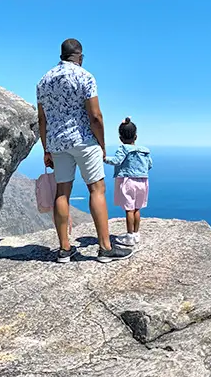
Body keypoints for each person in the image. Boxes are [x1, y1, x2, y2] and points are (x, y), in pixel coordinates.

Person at [37, 39, 134, 263]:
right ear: (79, 56)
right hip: (84, 140)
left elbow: (42, 118)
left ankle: (64, 250)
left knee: (62, 191)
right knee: (97, 189)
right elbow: (95, 116)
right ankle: (105, 249)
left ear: (61, 55)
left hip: (57, 143)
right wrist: (101, 144)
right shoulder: (85, 76)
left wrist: (46, 149)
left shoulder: (44, 80)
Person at [104, 118, 153, 246]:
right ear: (135, 136)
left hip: (128, 181)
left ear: (120, 138)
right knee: (137, 208)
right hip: (143, 182)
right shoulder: (144, 151)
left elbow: (116, 161)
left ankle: (129, 236)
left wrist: (104, 158)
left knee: (129, 210)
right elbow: (150, 165)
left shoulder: (123, 149)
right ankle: (136, 234)